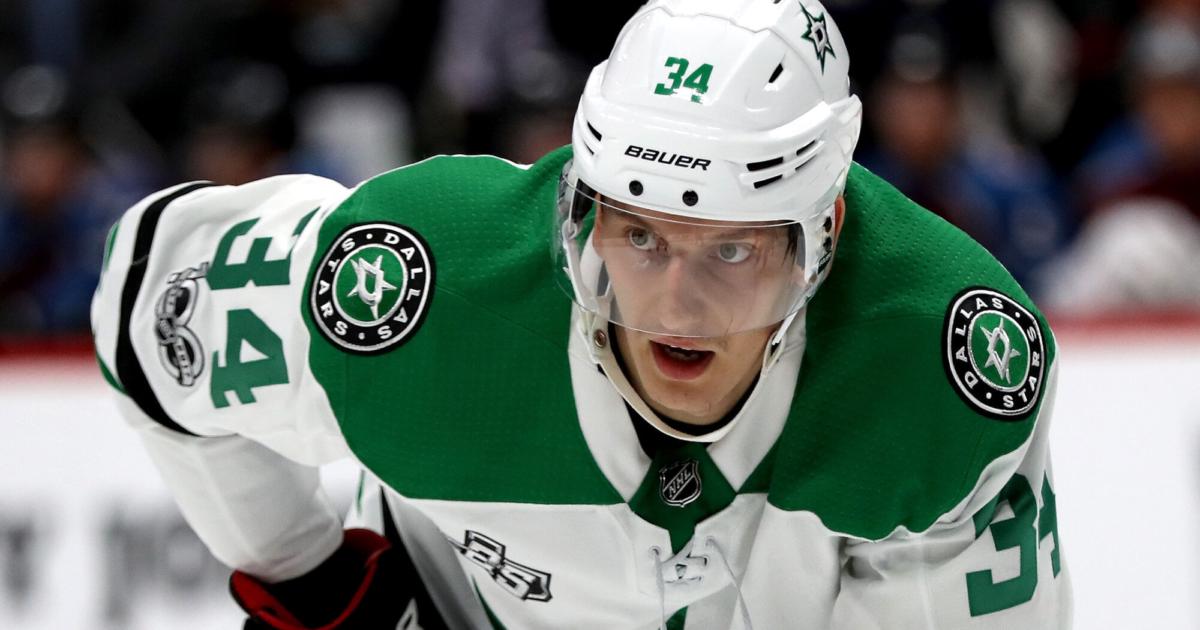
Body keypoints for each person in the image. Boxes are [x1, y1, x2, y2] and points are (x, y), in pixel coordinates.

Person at [90, 1, 1071, 628]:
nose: (676, 303)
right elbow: (149, 304)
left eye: (732, 250)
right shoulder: (423, 285)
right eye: (637, 237)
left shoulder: (944, 364)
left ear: (827, 232)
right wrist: (312, 580)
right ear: (581, 215)